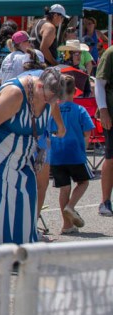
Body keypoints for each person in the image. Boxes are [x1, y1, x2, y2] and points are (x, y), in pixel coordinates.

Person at [0, 67, 69, 248]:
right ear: (40, 86)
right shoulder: (15, 94)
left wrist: (60, 125)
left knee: (26, 207)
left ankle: (22, 254)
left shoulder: (48, 96)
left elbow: (53, 105)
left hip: (22, 161)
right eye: (48, 98)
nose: (50, 102)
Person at [47, 76, 94, 235]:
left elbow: (48, 132)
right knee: (83, 182)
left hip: (57, 154)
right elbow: (87, 132)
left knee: (64, 189)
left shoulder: (53, 111)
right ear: (74, 91)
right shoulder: (80, 110)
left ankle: (66, 226)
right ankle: (70, 206)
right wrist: (83, 149)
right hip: (75, 153)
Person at [95, 45, 113, 217]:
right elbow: (99, 84)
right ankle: (105, 201)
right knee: (111, 157)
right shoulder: (110, 53)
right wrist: (103, 111)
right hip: (111, 113)